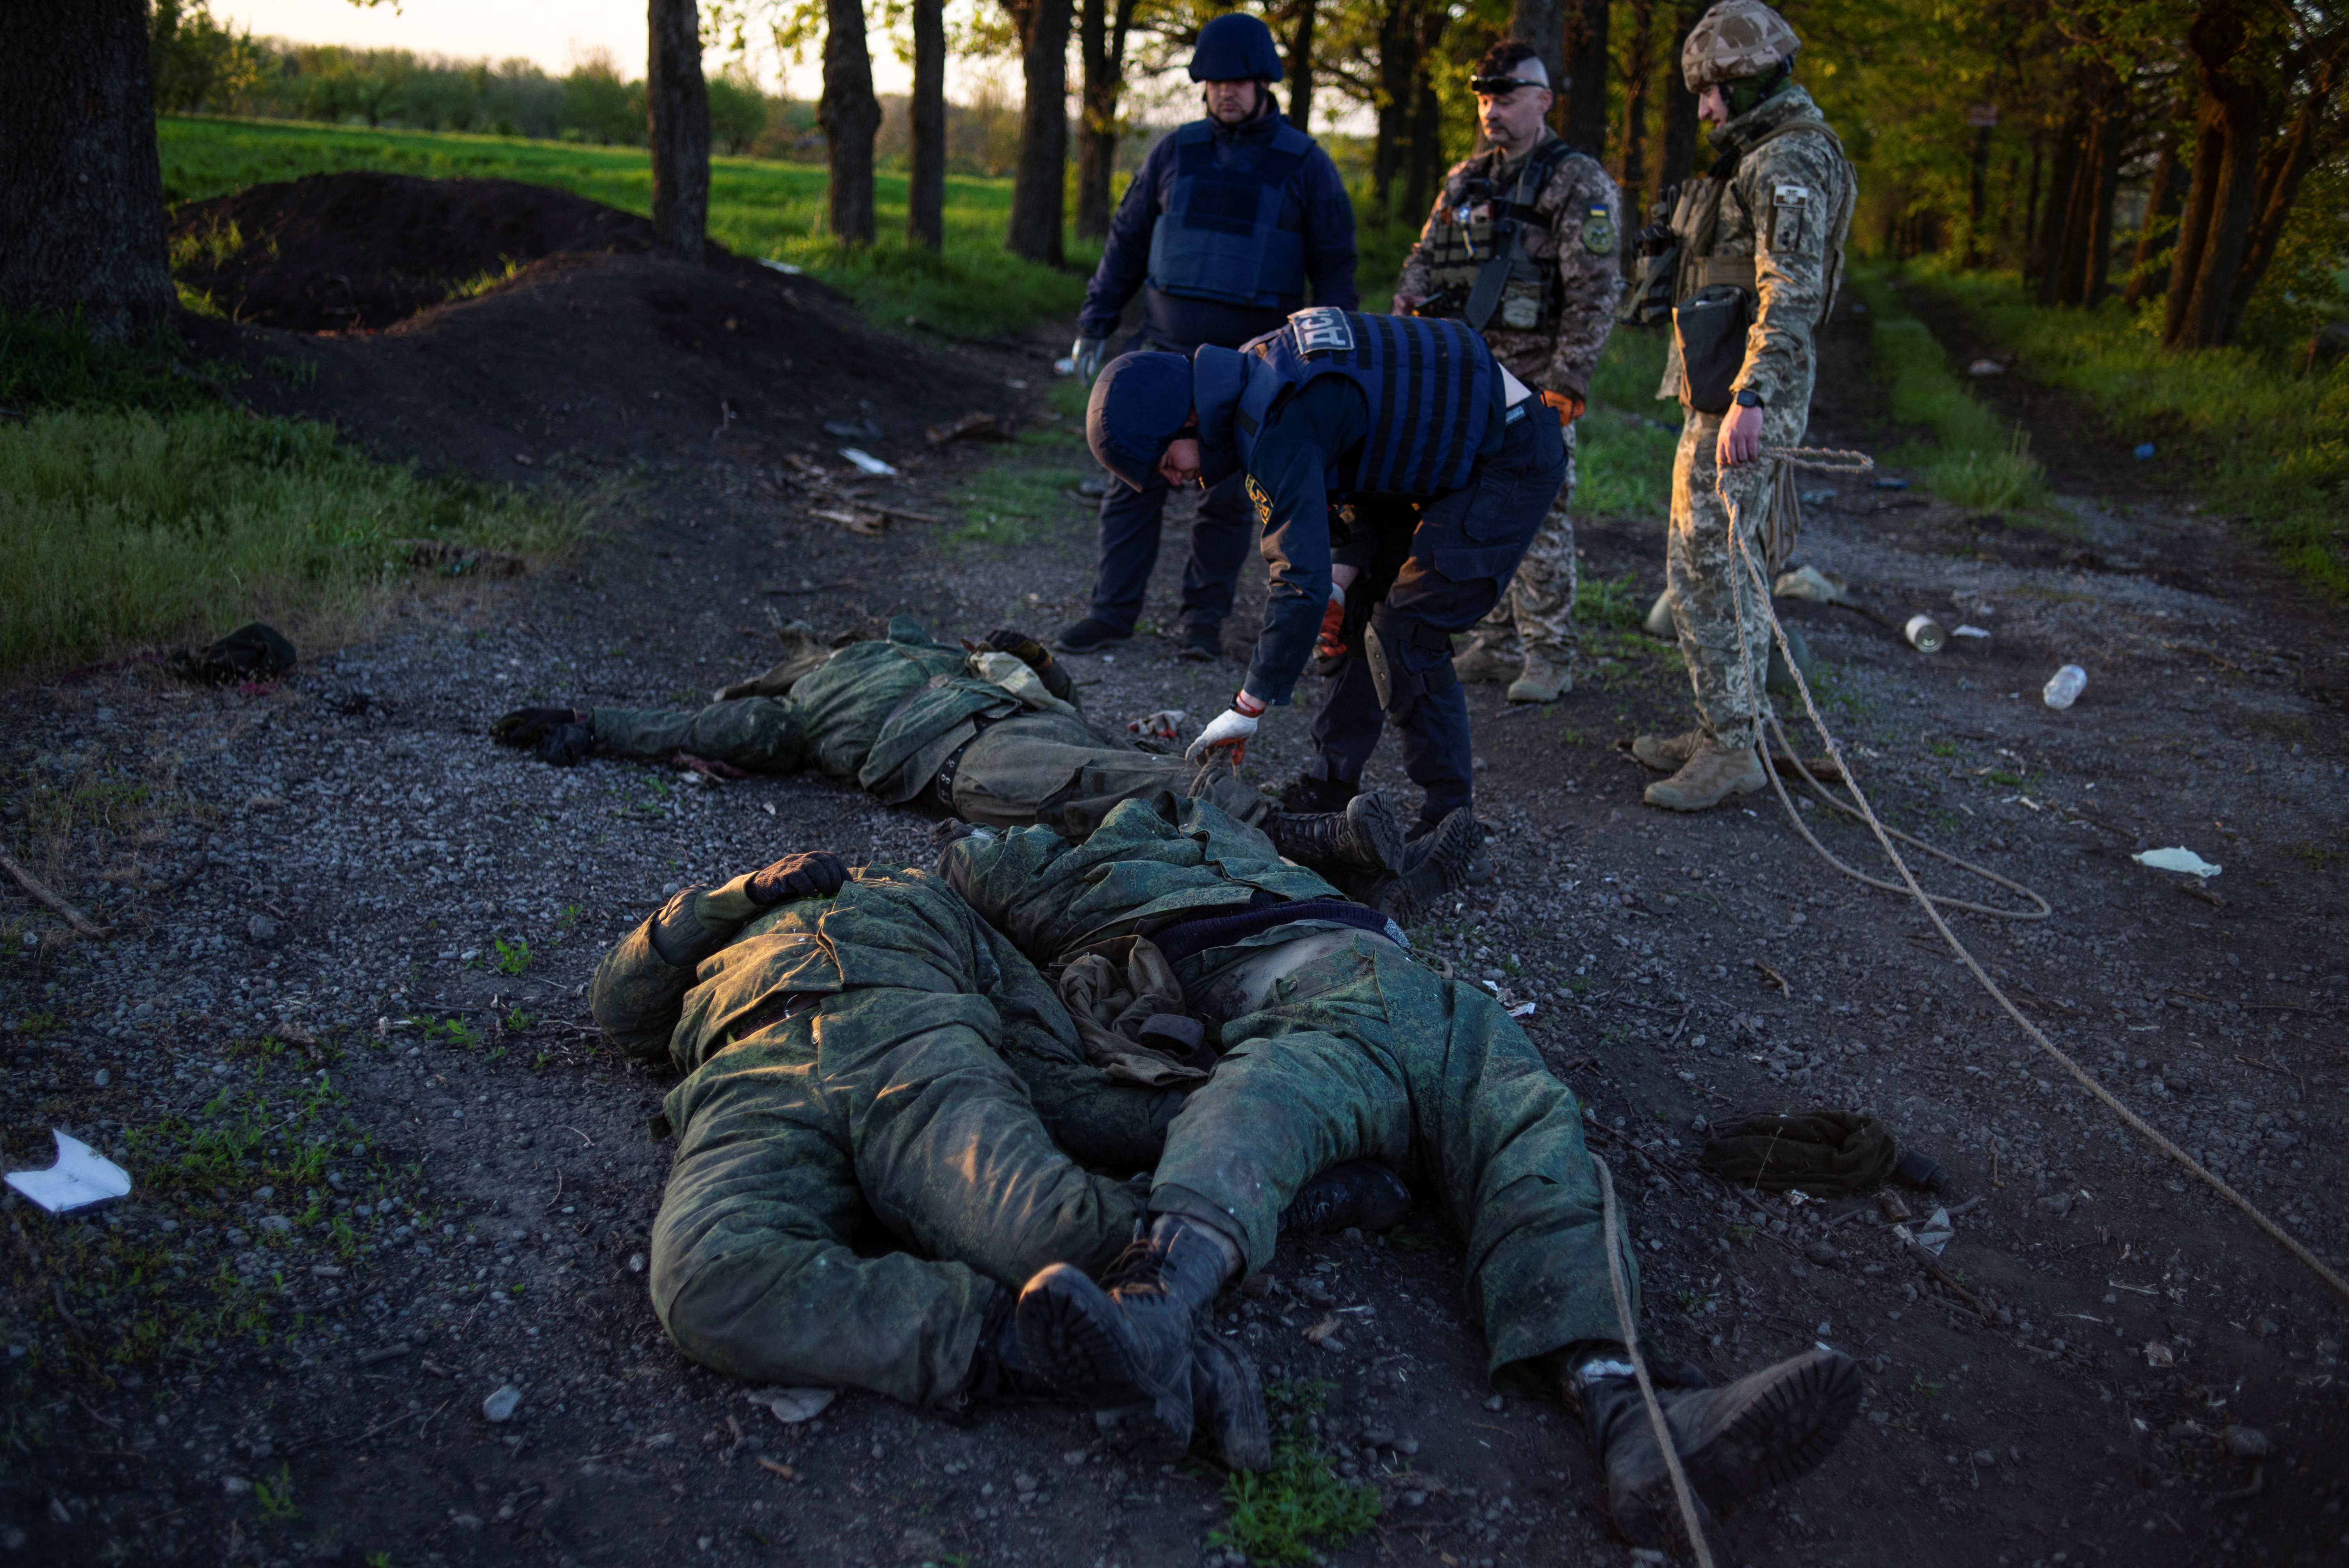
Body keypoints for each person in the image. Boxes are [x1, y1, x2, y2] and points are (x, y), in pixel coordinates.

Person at [939, 797, 1862, 1544]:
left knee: (1533, 1130)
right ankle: (1155, 1309)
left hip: (1424, 992)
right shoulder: (1063, 877)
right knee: (1260, 1103)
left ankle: (1632, 1417)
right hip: (1299, 995)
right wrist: (1004, 852)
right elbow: (971, 870)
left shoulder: (1224, 822)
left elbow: (1295, 821)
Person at [592, 847, 1409, 1465]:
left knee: (1061, 1233)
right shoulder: (724, 922)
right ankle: (1034, 1351)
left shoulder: (931, 900)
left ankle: (1269, 1208)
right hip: (751, 1072)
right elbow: (620, 1010)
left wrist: (1193, 1128)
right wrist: (741, 894)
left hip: (915, 1051)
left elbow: (1043, 1054)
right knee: (704, 1282)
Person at [488, 617, 1481, 916]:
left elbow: (1030, 675)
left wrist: (1037, 663)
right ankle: (1331, 849)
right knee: (1136, 792)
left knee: (1140, 771)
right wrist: (594, 720)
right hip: (968, 754)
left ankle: (1346, 859)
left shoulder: (892, 653)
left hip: (1013, 721)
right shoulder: (789, 709)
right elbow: (683, 727)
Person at [1084, 307, 1565, 857]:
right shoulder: (1251, 372)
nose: (1175, 480)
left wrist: (1249, 707)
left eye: (1166, 462)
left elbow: (1298, 580)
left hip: (1506, 453)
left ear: (1185, 417)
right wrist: (1339, 583)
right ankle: (1333, 785)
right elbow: (1355, 459)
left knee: (1407, 635)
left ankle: (1451, 826)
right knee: (1347, 619)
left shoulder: (1271, 418)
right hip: (1429, 461)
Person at [1059, 12, 1359, 663]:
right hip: (1164, 355)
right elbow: (1128, 242)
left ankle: (1203, 622)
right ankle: (1111, 613)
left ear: (1264, 82)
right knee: (1131, 481)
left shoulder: (1305, 164)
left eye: (1239, 80)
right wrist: (1096, 318)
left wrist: (1333, 352)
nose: (1226, 92)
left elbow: (1335, 263)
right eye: (1215, 81)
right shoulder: (1174, 152)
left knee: (1226, 497)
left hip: (1250, 370)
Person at [1625, 0, 1855, 811]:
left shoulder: (1786, 159)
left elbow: (1789, 292)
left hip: (1745, 397)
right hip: (1721, 389)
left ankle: (1732, 748)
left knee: (1714, 566)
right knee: (1709, 565)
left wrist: (1751, 398)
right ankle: (1727, 724)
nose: (1704, 108)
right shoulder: (1754, 154)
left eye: (1713, 91)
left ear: (1749, 79)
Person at [1390, 40, 1624, 704]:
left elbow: (1597, 292)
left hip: (1537, 382)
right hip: (1464, 380)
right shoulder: (1467, 179)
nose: (1493, 109)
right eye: (1485, 98)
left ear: (1544, 101)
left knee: (1541, 516)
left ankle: (1551, 654)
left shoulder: (1576, 181)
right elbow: (1422, 260)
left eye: (1508, 96)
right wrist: (1407, 312)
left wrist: (1569, 382)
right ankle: (1496, 641)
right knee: (1465, 509)